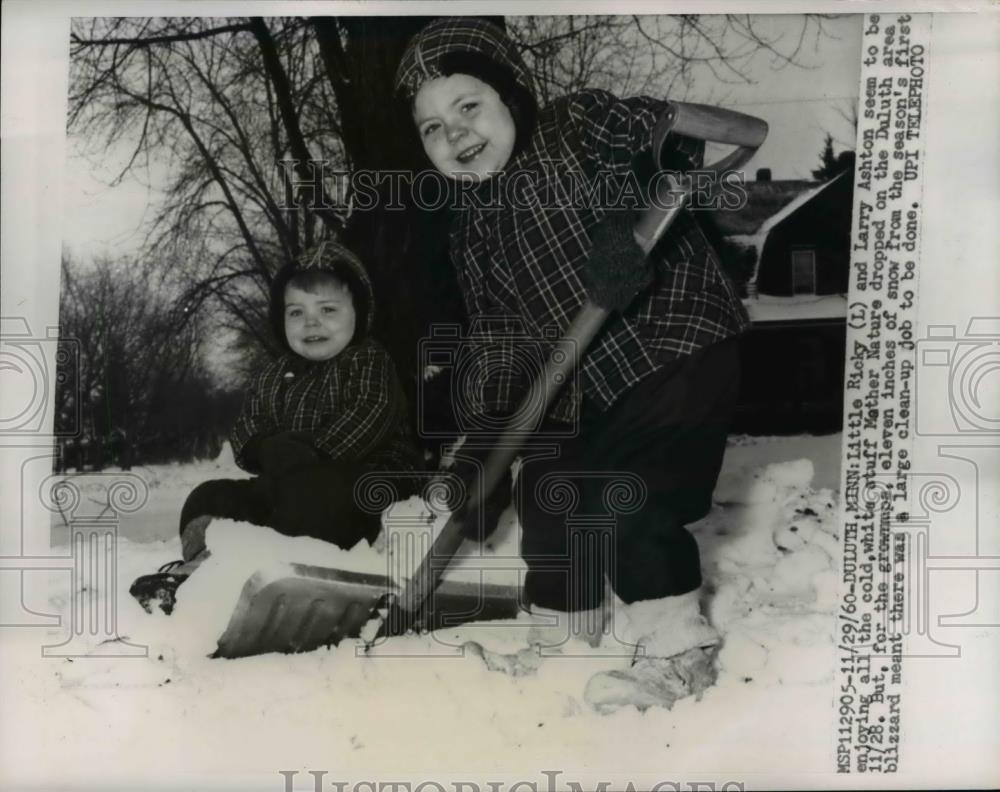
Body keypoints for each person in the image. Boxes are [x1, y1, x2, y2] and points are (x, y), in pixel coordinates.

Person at [395, 18, 749, 711]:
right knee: (549, 495)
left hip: (673, 347)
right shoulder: (471, 233)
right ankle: (564, 638)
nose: (455, 132)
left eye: (468, 106)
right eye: (432, 128)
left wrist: (624, 218)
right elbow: (503, 355)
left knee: (629, 499)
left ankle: (679, 651)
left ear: (513, 99)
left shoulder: (575, 124)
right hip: (585, 387)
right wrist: (480, 457)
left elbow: (672, 137)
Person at [130, 240, 422, 614]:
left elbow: (370, 411)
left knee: (320, 492)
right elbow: (248, 424)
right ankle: (204, 569)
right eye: (296, 312)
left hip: (364, 482)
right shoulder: (273, 373)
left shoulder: (368, 360)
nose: (311, 322)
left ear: (359, 314)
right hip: (285, 488)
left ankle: (275, 569)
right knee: (208, 496)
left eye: (328, 310)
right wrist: (262, 448)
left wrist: (316, 451)